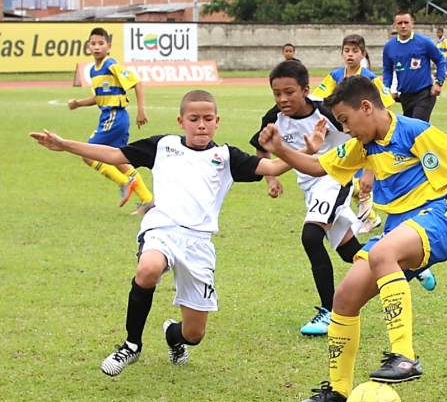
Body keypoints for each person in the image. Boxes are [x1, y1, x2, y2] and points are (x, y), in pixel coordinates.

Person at [257, 75, 447, 402]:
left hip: (439, 218)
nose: (346, 129)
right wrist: (280, 149)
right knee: (344, 297)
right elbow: (317, 165)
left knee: (381, 252)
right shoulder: (362, 146)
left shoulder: (418, 132)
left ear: (366, 107)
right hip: (399, 229)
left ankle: (405, 356)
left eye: (346, 121)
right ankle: (339, 389)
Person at [30, 90, 319, 377]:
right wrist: (66, 145)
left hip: (199, 244)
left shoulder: (226, 156)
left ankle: (172, 336)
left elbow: (273, 166)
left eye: (207, 118)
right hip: (162, 229)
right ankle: (131, 345)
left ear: (217, 121)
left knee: (194, 333)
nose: (201, 124)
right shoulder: (163, 145)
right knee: (148, 268)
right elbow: (116, 154)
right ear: (181, 122)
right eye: (194, 119)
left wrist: (307, 150)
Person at [250, 60, 365, 337]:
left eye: (289, 92)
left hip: (335, 178)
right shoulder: (273, 117)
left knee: (311, 237)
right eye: (277, 93)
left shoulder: (326, 112)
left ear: (305, 90)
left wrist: (368, 172)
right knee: (350, 252)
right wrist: (272, 179)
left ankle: (330, 312)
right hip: (310, 186)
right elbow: (262, 149)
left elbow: (363, 135)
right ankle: (404, 264)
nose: (282, 99)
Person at [310, 33, 395, 235]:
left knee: (363, 176)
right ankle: (369, 215)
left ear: (363, 54)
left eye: (355, 51)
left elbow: (386, 106)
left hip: (366, 135)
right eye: (347, 51)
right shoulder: (335, 76)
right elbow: (318, 98)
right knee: (347, 176)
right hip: (344, 134)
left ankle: (372, 214)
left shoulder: (371, 79)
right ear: (341, 53)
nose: (350, 55)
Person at [68, 27, 154, 215]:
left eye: (101, 43)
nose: (97, 47)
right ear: (88, 47)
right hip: (108, 117)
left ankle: (126, 182)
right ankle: (148, 200)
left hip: (115, 116)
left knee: (88, 154)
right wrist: (79, 104)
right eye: (93, 44)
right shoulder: (93, 72)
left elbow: (137, 83)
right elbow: (99, 97)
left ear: (109, 46)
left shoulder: (111, 65)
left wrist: (141, 110)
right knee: (117, 160)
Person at [383, 11, 447, 122]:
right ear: (394, 25)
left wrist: (439, 82)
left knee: (417, 125)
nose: (403, 26)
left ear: (412, 24)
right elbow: (387, 70)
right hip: (405, 96)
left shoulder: (424, 42)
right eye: (399, 23)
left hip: (424, 93)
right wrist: (386, 88)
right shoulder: (389, 47)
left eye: (406, 22)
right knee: (411, 131)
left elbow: (440, 60)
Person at [435, 27, 447, 95]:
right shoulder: (438, 42)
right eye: (437, 32)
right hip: (439, 61)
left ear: (442, 33)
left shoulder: (445, 41)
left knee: (445, 75)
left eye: (439, 32)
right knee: (436, 74)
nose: (438, 34)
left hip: (444, 60)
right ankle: (438, 90)